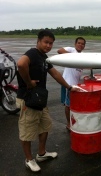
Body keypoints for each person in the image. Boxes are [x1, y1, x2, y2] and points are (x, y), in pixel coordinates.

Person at [16, 30, 80, 172]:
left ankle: (42, 154)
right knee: (27, 131)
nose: (49, 45)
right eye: (46, 42)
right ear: (38, 41)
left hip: (39, 100)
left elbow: (55, 73)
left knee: (45, 126)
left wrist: (69, 87)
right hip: (28, 99)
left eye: (51, 43)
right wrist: (28, 82)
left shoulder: (43, 57)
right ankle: (29, 159)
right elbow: (21, 64)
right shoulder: (32, 53)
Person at [57, 37, 86, 130]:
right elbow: (59, 50)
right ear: (75, 44)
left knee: (74, 104)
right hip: (68, 83)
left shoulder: (83, 56)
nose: (80, 45)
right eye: (79, 43)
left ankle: (74, 121)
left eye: (82, 44)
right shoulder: (72, 50)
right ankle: (69, 124)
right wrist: (73, 57)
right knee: (68, 105)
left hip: (76, 84)